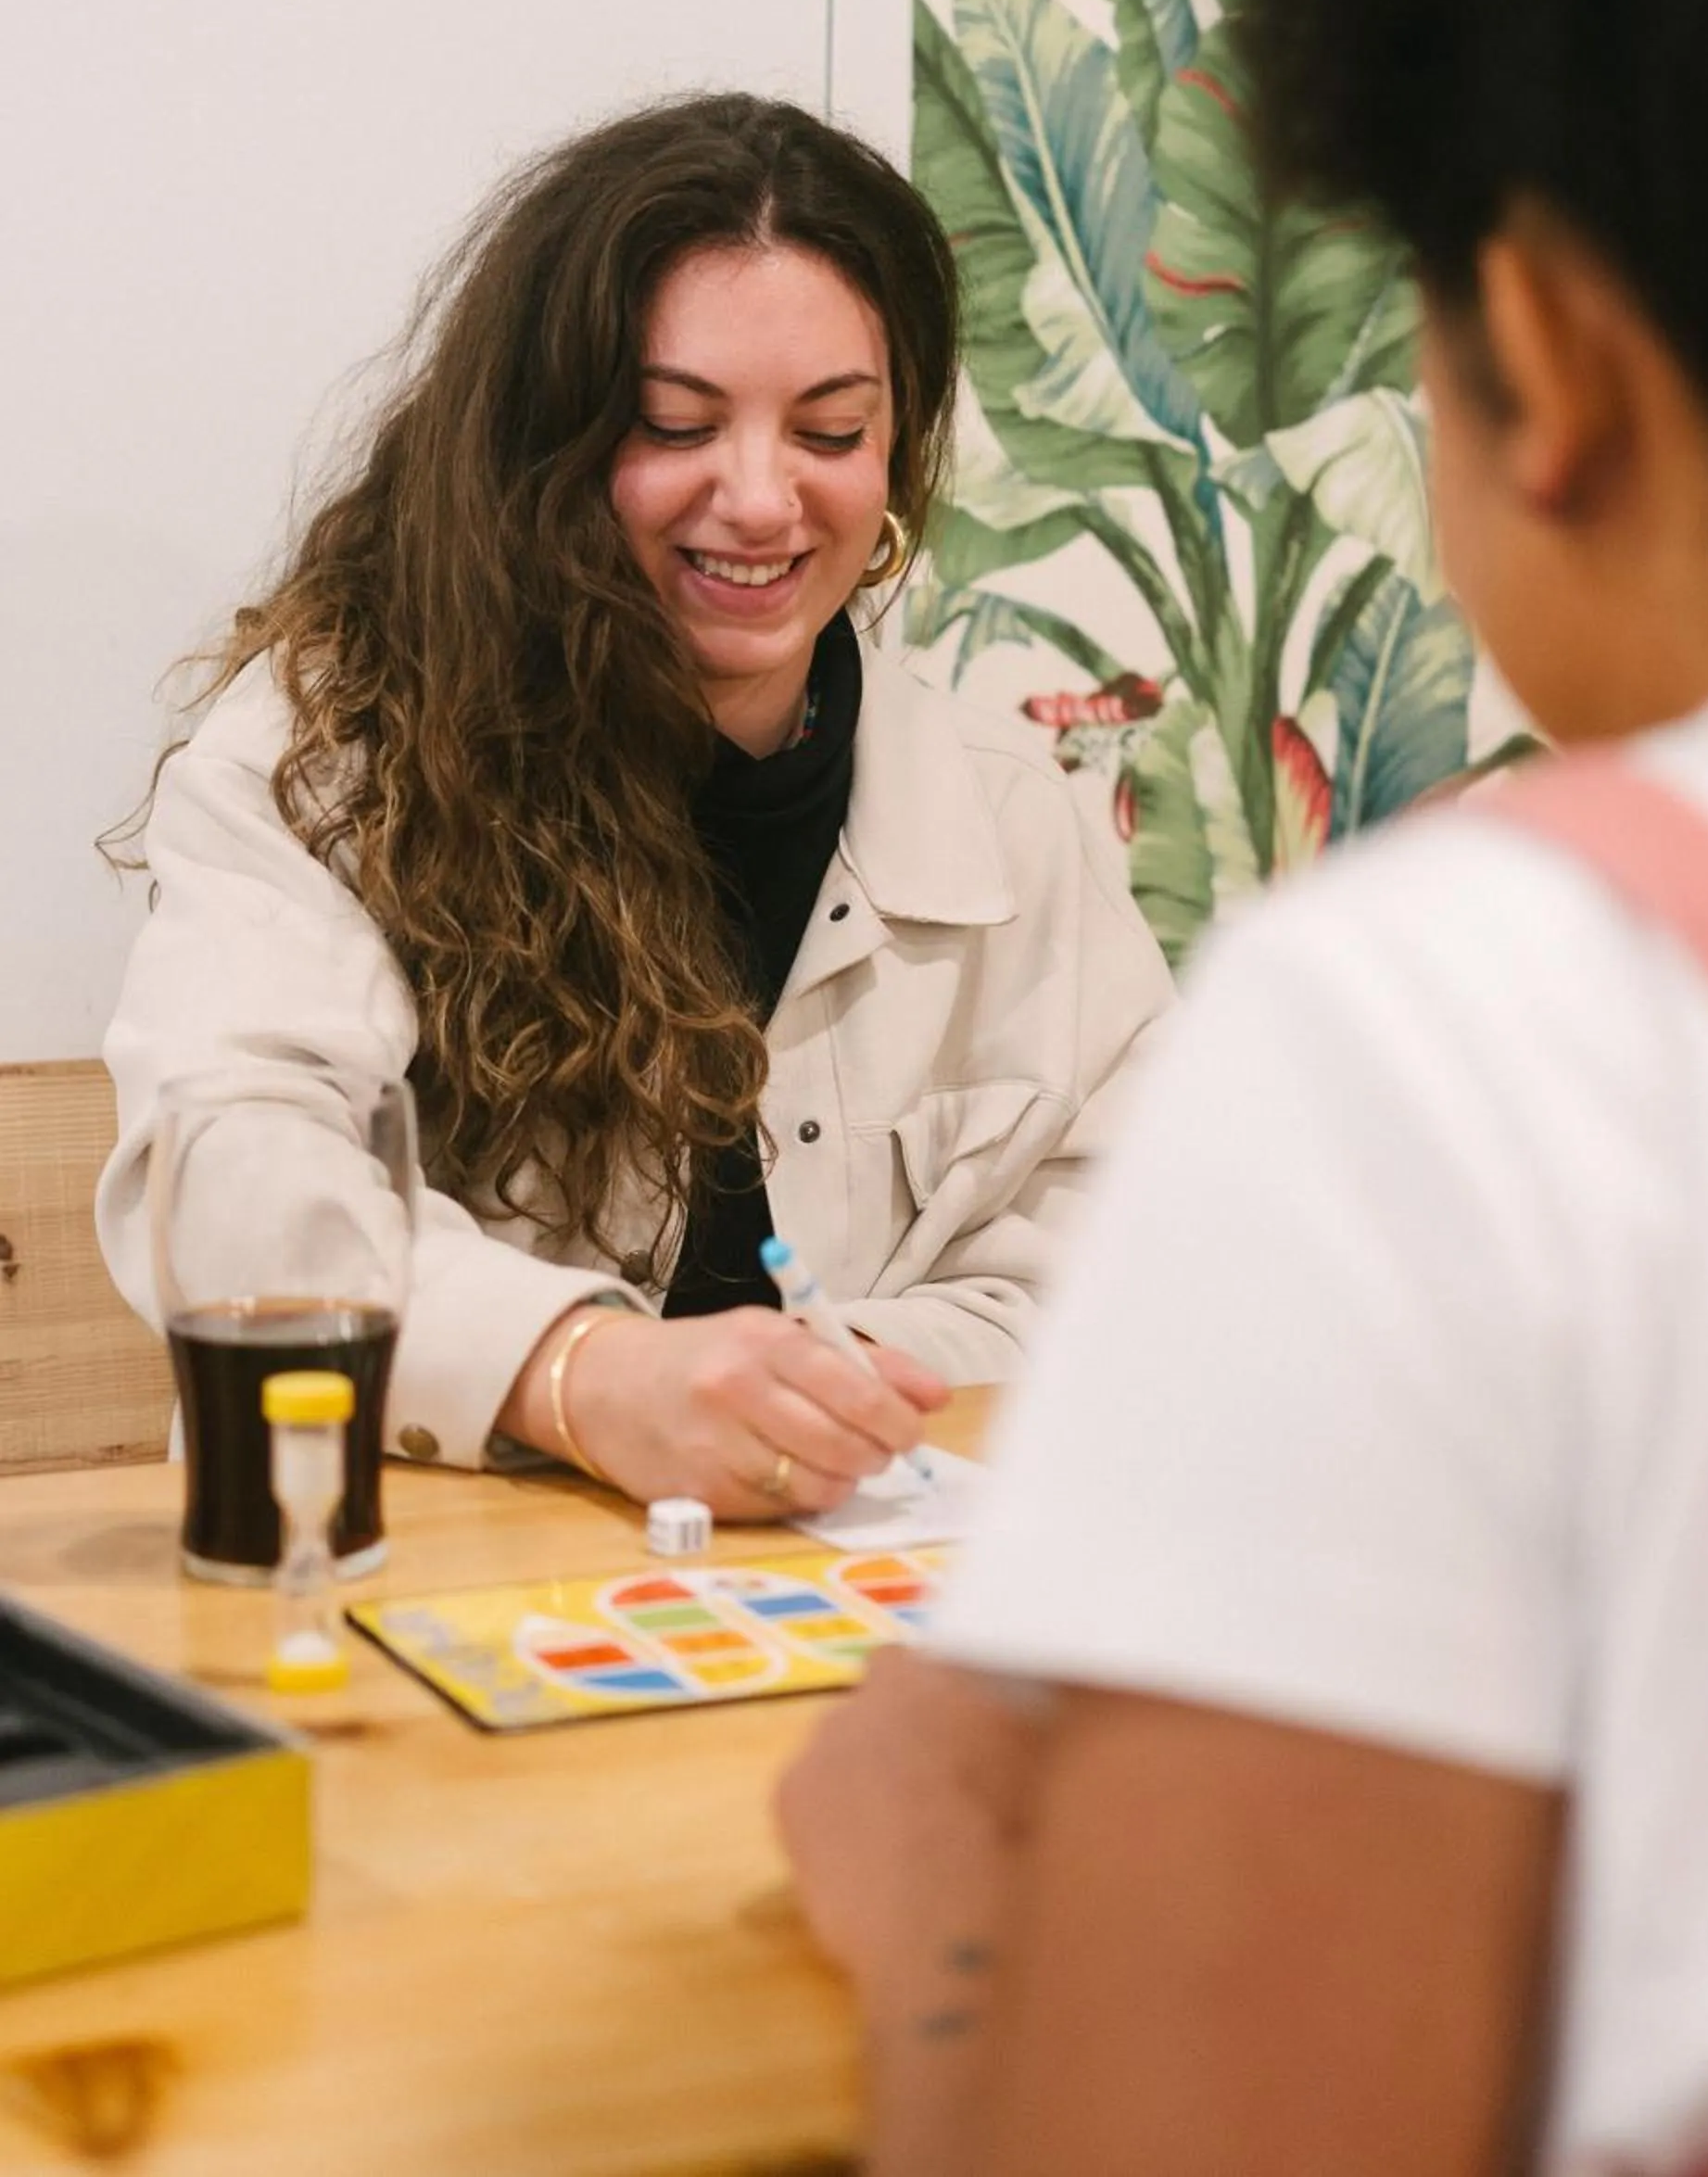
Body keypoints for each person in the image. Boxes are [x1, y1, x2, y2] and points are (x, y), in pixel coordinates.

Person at [778, 0, 1708, 2169]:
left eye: (830, 424)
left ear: (1551, 359)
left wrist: (934, 1912)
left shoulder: (1490, 1028)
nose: (753, 497)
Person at [97, 95, 1172, 1516]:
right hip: (397, 1573)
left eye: (831, 431)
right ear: (547, 447)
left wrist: (796, 1391)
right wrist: (585, 1375)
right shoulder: (325, 755)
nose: (760, 498)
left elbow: (1139, 1257)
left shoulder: (1004, 816)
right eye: (676, 424)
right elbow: (234, 1182)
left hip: (839, 1592)